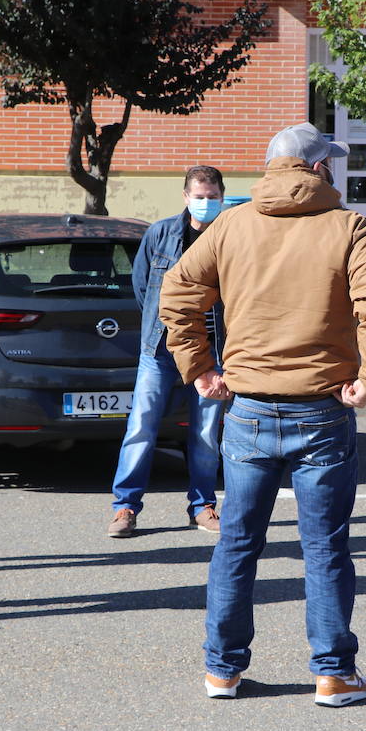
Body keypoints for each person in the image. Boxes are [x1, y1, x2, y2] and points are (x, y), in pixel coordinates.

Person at [159, 122, 366, 707]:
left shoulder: (231, 224)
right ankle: (334, 673)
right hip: (321, 407)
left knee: (237, 544)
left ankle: (223, 670)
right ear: (318, 169)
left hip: (246, 408)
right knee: (324, 547)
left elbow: (178, 294)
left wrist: (200, 370)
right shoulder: (348, 226)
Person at [106, 165, 229, 539]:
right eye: (199, 197)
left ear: (222, 197)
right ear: (185, 197)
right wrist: (168, 329)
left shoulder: (232, 235)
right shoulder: (160, 234)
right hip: (160, 348)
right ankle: (125, 507)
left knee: (207, 433)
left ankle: (203, 505)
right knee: (141, 427)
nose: (205, 203)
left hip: (212, 352)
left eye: (212, 198)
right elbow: (143, 289)